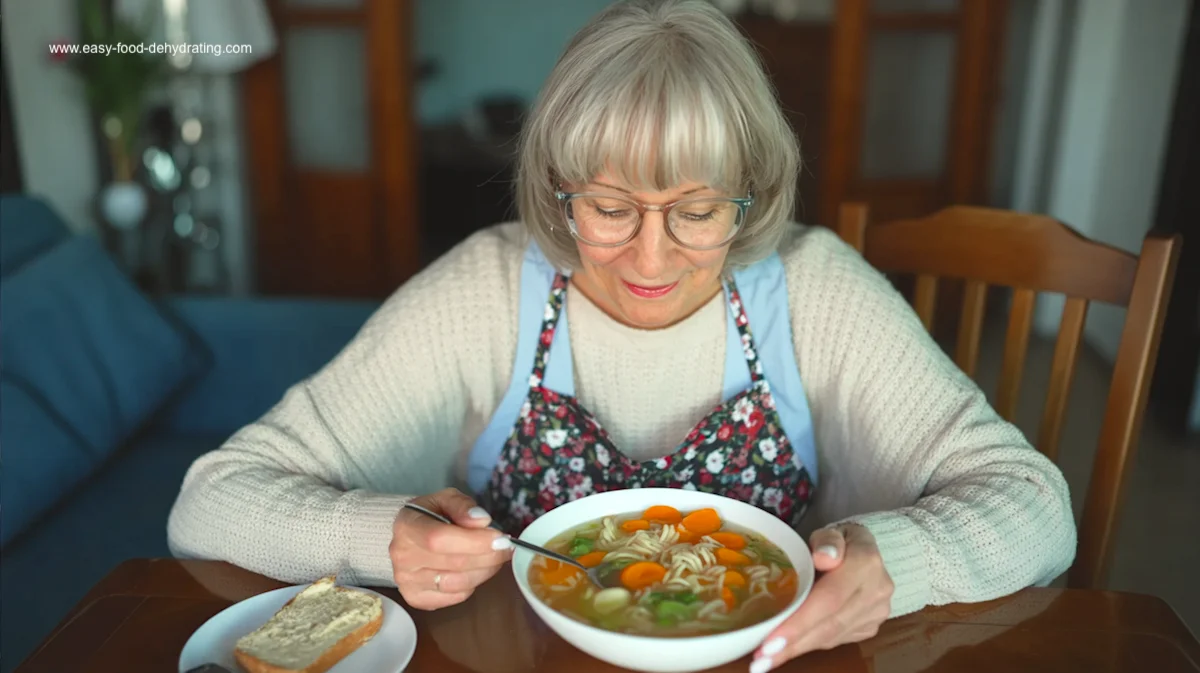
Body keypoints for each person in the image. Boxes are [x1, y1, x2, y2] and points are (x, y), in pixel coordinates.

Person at [167, 1, 1076, 670]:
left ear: (750, 193)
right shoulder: (486, 288)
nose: (651, 255)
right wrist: (383, 535)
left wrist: (901, 561)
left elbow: (1037, 504)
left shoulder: (814, 286)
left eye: (697, 209)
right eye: (609, 206)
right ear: (559, 186)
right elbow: (209, 502)